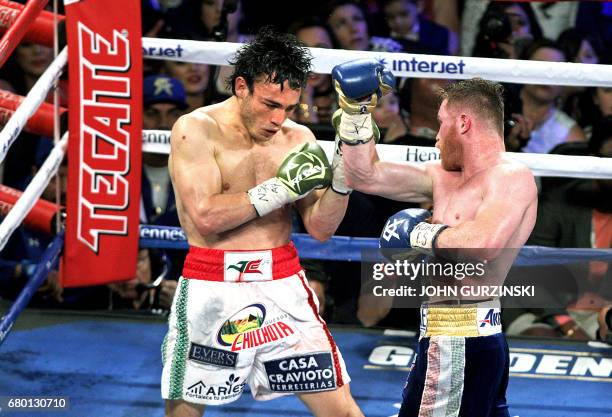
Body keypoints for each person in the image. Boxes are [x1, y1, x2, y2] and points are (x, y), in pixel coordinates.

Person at [161, 28, 361, 417]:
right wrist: (282, 188)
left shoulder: (297, 137)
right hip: (213, 283)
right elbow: (206, 216)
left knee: (343, 411)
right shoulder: (196, 129)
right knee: (185, 413)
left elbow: (321, 228)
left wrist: (342, 181)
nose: (277, 118)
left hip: (282, 284)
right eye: (270, 104)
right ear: (240, 86)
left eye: (288, 107)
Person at [337, 69, 538, 416]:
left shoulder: (510, 176)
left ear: (463, 123)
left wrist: (414, 233)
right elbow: (362, 175)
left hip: (461, 335)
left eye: (441, 122)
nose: (436, 136)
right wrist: (356, 111)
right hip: (446, 334)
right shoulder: (440, 176)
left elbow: (483, 244)